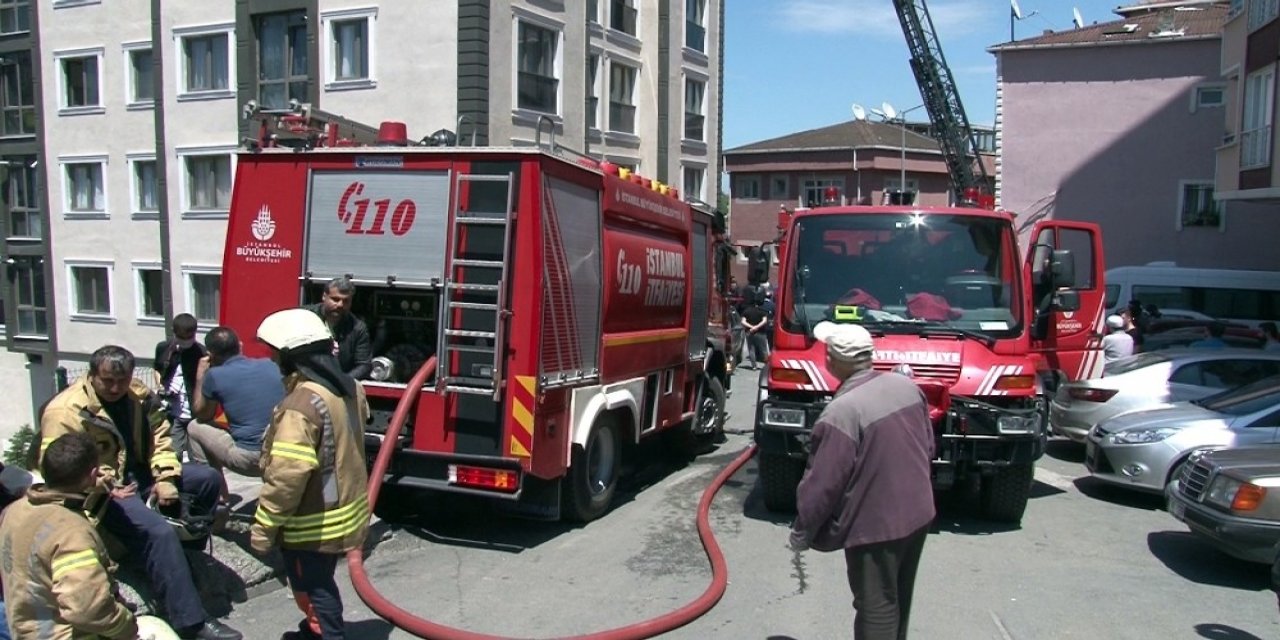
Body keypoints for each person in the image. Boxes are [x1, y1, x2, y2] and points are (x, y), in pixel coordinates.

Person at [39, 346, 242, 640]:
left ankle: (183, 559)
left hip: (142, 476)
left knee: (207, 480)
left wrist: (166, 477)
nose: (115, 388)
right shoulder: (65, 412)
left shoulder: (137, 395)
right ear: (92, 375)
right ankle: (191, 622)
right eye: (107, 381)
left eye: (121, 381)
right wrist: (105, 482)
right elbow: (58, 470)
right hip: (103, 491)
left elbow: (162, 438)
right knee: (158, 532)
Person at [790, 321, 935, 640]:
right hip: (919, 513)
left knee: (877, 607)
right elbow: (928, 447)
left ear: (833, 360)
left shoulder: (841, 412)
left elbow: (823, 486)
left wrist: (802, 532)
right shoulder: (906, 387)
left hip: (876, 528)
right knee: (898, 595)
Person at [251, 308, 371, 640]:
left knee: (312, 587)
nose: (273, 360)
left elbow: (288, 477)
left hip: (311, 522)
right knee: (322, 581)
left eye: (276, 354)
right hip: (344, 511)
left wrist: (264, 528)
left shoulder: (300, 406)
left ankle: (328, 635)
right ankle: (316, 629)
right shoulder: (348, 388)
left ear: (292, 357)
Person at [0, 432, 139, 639]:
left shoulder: (14, 512)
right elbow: (87, 609)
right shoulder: (70, 531)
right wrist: (126, 627)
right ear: (93, 474)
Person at [190, 326, 287, 480]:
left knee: (194, 426)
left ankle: (213, 488)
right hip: (282, 453)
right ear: (240, 346)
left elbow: (203, 414)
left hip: (250, 459)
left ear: (210, 355)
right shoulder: (271, 364)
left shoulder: (214, 375)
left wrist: (201, 376)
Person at [155, 313, 207, 460]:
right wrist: (161, 387)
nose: (186, 342)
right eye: (182, 338)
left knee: (196, 457)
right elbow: (157, 369)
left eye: (189, 338)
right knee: (173, 453)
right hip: (173, 412)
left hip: (194, 414)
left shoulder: (201, 352)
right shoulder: (164, 348)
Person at [305, 277, 372, 380]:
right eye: (335, 299)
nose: (340, 305)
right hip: (305, 380)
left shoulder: (357, 328)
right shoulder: (304, 317)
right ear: (324, 296)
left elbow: (364, 365)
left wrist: (341, 382)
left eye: (346, 301)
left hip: (338, 387)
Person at [740, 301, 770, 370]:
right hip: (761, 333)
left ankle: (754, 366)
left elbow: (743, 321)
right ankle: (767, 365)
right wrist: (757, 327)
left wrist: (751, 327)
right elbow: (764, 321)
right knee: (764, 350)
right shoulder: (762, 311)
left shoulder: (746, 311)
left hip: (749, 333)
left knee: (751, 349)